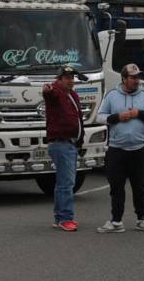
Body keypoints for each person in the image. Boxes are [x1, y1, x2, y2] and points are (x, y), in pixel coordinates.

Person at [96, 63, 144, 233]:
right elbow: (100, 117)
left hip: (139, 149)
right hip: (117, 149)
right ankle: (116, 221)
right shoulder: (111, 95)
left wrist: (139, 113)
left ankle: (142, 219)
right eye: (132, 77)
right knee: (116, 187)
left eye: (138, 77)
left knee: (139, 186)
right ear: (124, 79)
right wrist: (117, 117)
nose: (136, 80)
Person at [42, 65, 85, 232]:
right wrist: (47, 90)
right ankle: (65, 218)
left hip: (70, 143)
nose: (71, 81)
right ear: (59, 79)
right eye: (67, 78)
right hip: (61, 142)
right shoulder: (57, 92)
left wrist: (80, 139)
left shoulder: (71, 94)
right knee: (66, 183)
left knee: (64, 182)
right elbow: (49, 94)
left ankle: (60, 217)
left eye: (72, 78)